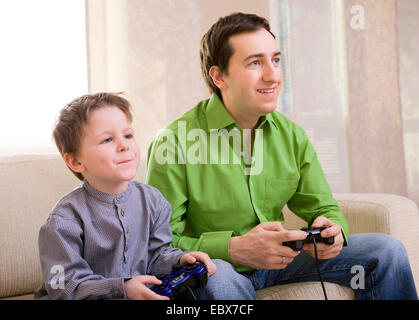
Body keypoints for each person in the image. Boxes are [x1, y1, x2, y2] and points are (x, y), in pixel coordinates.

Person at [146, 12, 418, 299]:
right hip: (218, 267)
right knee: (220, 279)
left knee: (386, 251)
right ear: (219, 76)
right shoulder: (174, 141)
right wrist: (232, 247)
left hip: (280, 263)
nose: (273, 75)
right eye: (255, 63)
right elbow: (158, 245)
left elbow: (324, 207)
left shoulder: (291, 135)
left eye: (275, 60)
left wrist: (332, 230)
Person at [34, 92, 220, 300]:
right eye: (107, 139)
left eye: (128, 135)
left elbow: (157, 255)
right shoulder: (64, 221)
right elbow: (63, 286)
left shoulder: (153, 201)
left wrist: (180, 259)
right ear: (76, 162)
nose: (124, 145)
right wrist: (122, 288)